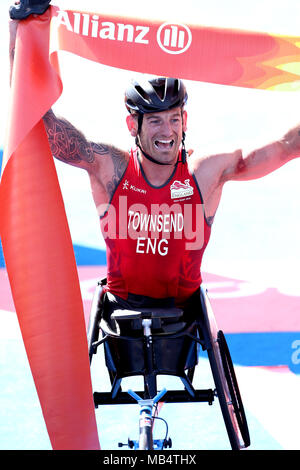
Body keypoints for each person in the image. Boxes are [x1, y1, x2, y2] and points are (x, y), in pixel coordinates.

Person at [9, 9, 300, 319]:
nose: (167, 131)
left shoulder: (204, 172)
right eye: (156, 121)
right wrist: (20, 28)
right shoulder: (112, 167)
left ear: (185, 121)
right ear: (133, 126)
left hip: (184, 313)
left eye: (174, 119)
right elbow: (44, 126)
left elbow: (287, 146)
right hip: (122, 312)